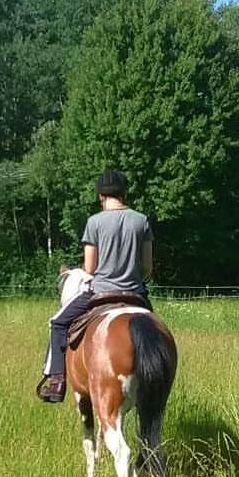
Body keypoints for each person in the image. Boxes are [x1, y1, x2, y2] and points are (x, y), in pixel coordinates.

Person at [36, 168, 153, 402]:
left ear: (101, 195)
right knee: (154, 333)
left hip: (100, 292)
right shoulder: (141, 221)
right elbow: (147, 267)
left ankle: (57, 381)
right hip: (136, 293)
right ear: (124, 193)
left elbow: (89, 269)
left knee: (57, 323)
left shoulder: (94, 222)